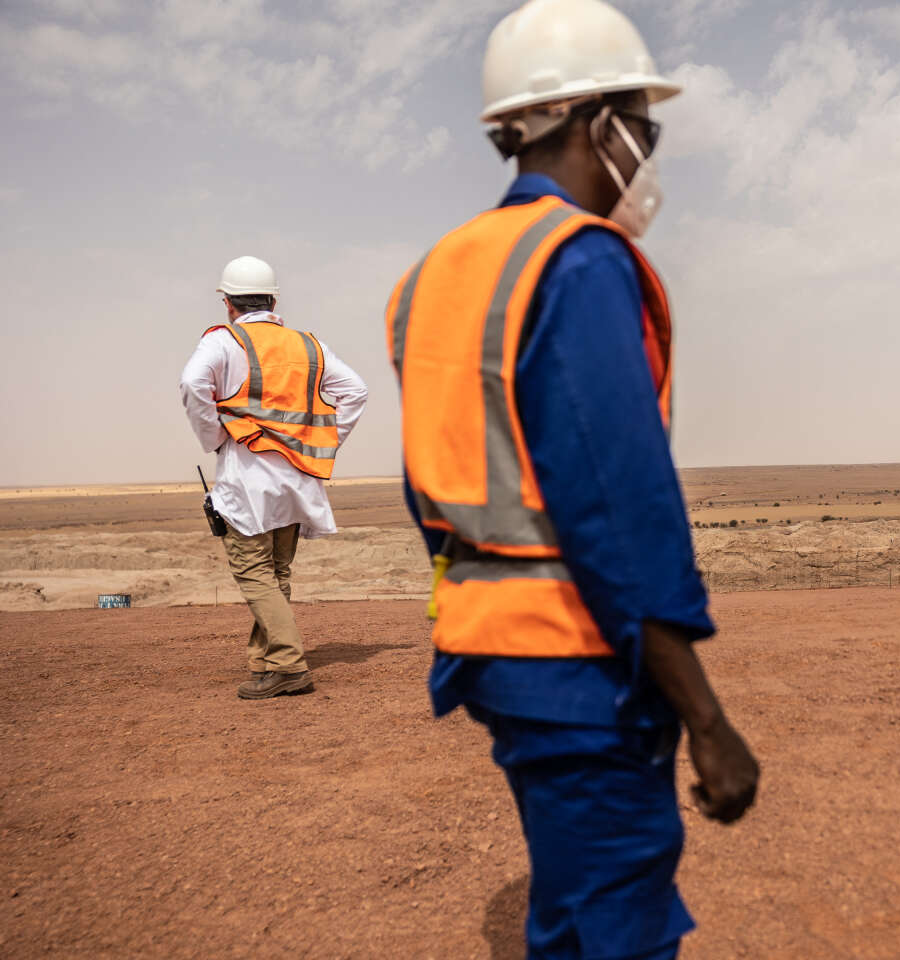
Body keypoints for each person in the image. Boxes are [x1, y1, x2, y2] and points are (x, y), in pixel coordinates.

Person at [385, 0, 759, 956]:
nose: (649, 148)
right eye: (646, 124)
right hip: (582, 662)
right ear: (597, 123)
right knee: (616, 923)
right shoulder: (581, 262)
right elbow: (617, 507)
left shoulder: (436, 274)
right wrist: (706, 719)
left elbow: (431, 486)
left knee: (572, 902)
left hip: (488, 650)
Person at [180, 255, 369, 700]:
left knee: (253, 571)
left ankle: (286, 665)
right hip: (298, 478)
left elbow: (192, 384)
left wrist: (214, 434)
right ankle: (265, 663)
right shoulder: (307, 344)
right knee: (277, 571)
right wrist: (322, 440)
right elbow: (355, 391)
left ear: (228, 303)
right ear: (272, 299)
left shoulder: (223, 341)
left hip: (249, 475)